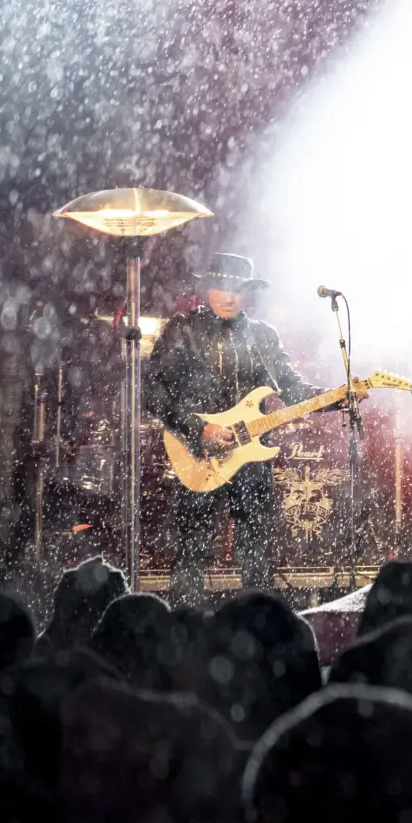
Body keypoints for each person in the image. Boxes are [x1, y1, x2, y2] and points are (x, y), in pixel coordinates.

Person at [142, 252, 323, 605]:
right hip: (197, 453)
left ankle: (257, 635)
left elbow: (293, 388)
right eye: (223, 288)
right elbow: (152, 391)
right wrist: (199, 428)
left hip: (251, 459)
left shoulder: (262, 336)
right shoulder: (183, 329)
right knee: (192, 550)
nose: (229, 297)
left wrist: (337, 397)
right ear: (208, 288)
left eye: (238, 290)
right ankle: (186, 630)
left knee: (256, 551)